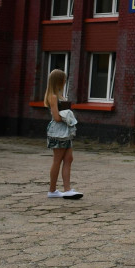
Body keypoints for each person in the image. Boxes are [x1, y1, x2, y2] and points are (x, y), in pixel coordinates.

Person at [44, 68, 82, 199]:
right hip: (58, 131)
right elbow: (56, 117)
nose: (65, 82)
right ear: (58, 81)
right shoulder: (53, 96)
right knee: (57, 160)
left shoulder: (59, 95)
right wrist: (69, 115)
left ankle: (67, 189)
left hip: (66, 131)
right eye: (64, 79)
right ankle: (52, 190)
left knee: (68, 158)